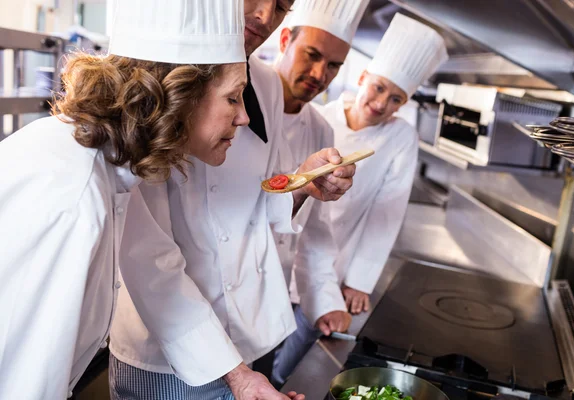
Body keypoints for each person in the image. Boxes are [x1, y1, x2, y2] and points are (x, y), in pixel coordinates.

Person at [0, 0, 249, 398]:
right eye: (234, 98)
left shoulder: (107, 165)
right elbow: (23, 386)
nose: (243, 118)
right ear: (180, 94)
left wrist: (240, 376)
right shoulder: (74, 198)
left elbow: (153, 263)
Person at [107, 0, 356, 399]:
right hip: (170, 345)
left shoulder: (268, 85)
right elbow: (146, 255)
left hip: (244, 337)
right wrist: (235, 375)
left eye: (281, 6)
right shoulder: (157, 78)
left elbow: (260, 200)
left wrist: (303, 184)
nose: (264, 16)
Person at [272, 12, 449, 384]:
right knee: (271, 338)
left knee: (299, 350)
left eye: (396, 98)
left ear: (403, 105)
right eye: (379, 87)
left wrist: (359, 281)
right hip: (286, 250)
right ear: (363, 77)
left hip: (336, 259)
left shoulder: (400, 138)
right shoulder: (320, 117)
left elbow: (387, 213)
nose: (382, 102)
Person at [268, 0, 369, 387]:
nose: (319, 74)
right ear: (285, 40)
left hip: (267, 308)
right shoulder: (240, 105)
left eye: (333, 66)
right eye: (312, 55)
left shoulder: (320, 130)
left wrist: (326, 302)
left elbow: (314, 232)